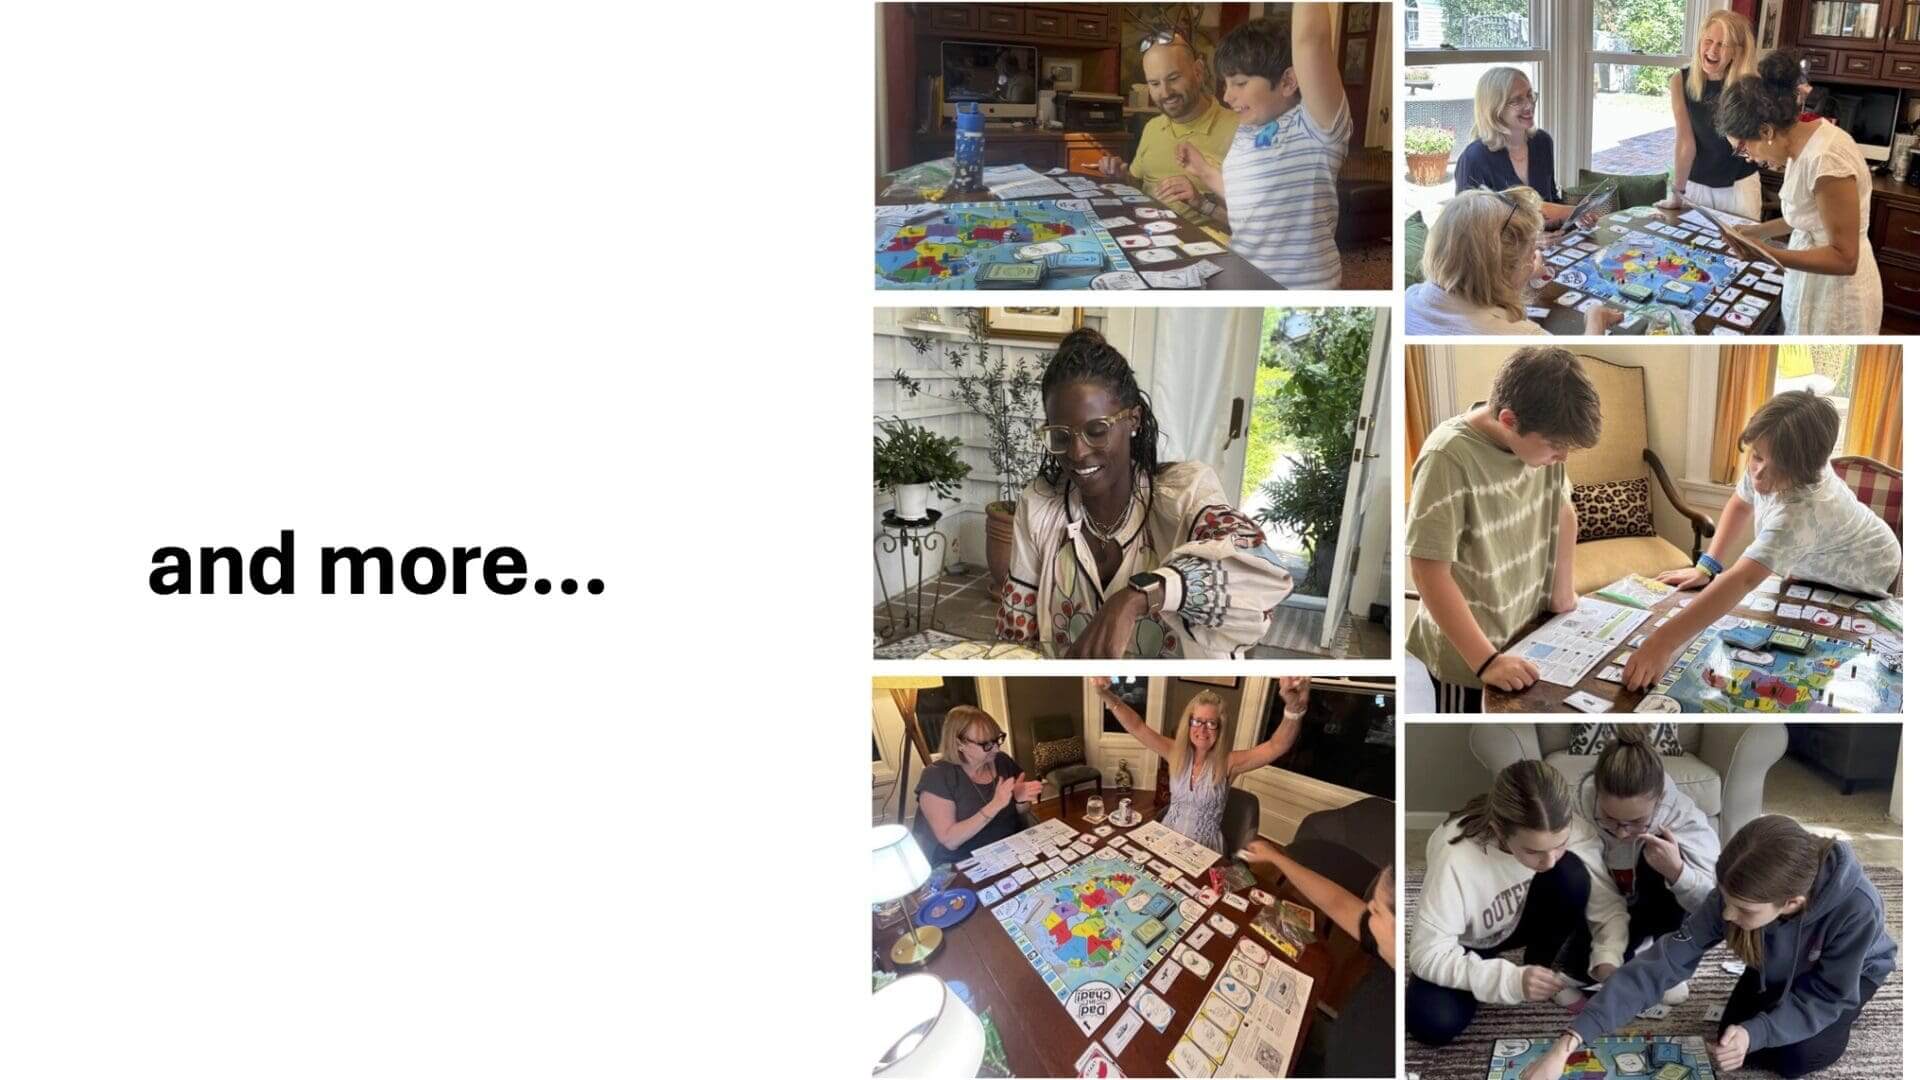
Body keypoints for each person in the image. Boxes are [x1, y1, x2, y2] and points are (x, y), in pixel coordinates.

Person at [1521, 816, 1897, 1080]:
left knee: (1794, 1058)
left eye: (1744, 909)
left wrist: (1759, 1032)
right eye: (1726, 900)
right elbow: (1662, 964)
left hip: (1843, 976)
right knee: (1731, 1038)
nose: (1727, 915)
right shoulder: (1736, 896)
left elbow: (1830, 995)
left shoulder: (1857, 909)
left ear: (1792, 903)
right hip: (1772, 957)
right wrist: (1569, 1042)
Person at [996, 328, 1295, 658]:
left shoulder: (1184, 494)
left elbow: (1262, 575)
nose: (1078, 452)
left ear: (1133, 419)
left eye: (1097, 430)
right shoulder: (1039, 505)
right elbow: (1016, 636)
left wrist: (1140, 596)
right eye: (1061, 436)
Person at [1624, 390, 1901, 691]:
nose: (1758, 472)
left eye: (1775, 467)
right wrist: (1707, 566)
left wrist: (1661, 642)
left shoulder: (1803, 510)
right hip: (1814, 565)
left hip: (1869, 568)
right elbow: (1741, 502)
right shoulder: (1769, 460)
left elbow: (1742, 580)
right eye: (1756, 456)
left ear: (1805, 470)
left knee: (1830, 661)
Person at [1406, 347, 1601, 711]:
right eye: (1557, 448)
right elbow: (1427, 571)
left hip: (1525, 631)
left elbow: (1563, 510)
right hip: (1468, 656)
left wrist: (1563, 594)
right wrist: (1485, 661)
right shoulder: (1447, 457)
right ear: (1509, 420)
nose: (1562, 459)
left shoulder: (1545, 450)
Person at [1407, 761, 1629, 1046]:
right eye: (1533, 851)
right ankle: (1513, 973)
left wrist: (1609, 957)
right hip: (1467, 942)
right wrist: (1508, 980)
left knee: (1572, 872)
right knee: (1431, 1024)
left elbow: (1606, 901)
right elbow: (1426, 954)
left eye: (1559, 844)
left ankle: (1542, 966)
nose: (1549, 861)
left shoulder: (1565, 827)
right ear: (1498, 830)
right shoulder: (1455, 859)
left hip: (1520, 919)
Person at [1171, 6, 1348, 289]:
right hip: (1245, 275)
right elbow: (1250, 199)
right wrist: (1204, 171)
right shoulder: (1246, 129)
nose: (1227, 96)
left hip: (1298, 287)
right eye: (1226, 84)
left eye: (1240, 83)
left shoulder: (1317, 125)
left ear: (1288, 81)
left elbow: (1311, 40)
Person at [1715, 49, 1883, 334]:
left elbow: (1845, 258)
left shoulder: (1826, 160)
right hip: (1809, 278)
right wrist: (1755, 232)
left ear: (1766, 132)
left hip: (1838, 295)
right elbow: (1808, 217)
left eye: (1744, 148)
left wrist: (1767, 254)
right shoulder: (1799, 143)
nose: (1749, 158)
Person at [1563, 725, 1721, 1006]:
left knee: (1661, 850)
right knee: (1566, 869)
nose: (1622, 833)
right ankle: (1628, 955)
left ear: (1659, 799)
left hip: (1656, 908)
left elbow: (1712, 909)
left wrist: (1677, 873)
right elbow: (1599, 892)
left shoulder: (1684, 817)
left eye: (1635, 822)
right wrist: (1607, 955)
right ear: (1597, 794)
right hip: (1606, 908)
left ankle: (1660, 953)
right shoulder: (1580, 810)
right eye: (1610, 819)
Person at [1091, 677, 1305, 851]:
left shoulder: (1229, 763)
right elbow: (1137, 726)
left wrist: (1293, 710)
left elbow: (1276, 746)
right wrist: (1105, 695)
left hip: (1204, 850)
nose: (1202, 730)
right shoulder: (1175, 752)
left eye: (1211, 723)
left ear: (1220, 729)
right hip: (1165, 839)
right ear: (1189, 722)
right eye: (1197, 721)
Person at [1240, 838, 1394, 1078]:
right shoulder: (1395, 942)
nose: (1368, 907)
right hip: (1326, 1045)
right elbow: (1340, 903)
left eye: (1376, 910)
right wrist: (1277, 858)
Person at [1406, 186, 1624, 335]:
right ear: (1504, 270)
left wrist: (1522, 271)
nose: (1534, 258)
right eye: (1532, 252)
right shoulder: (1527, 335)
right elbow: (1579, 367)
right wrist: (1596, 319)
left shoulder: (1410, 296)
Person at [1096, 32, 1236, 234]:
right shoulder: (1152, 127)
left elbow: (1257, 225)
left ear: (1198, 71)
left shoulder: (1240, 129)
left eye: (1173, 78)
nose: (1165, 92)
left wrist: (1202, 203)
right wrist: (1122, 177)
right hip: (1145, 239)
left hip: (1206, 252)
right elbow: (1138, 186)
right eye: (1154, 84)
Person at [912, 705, 1044, 866]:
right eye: (985, 744)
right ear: (959, 743)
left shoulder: (1002, 761)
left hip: (1009, 848)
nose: (996, 748)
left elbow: (1023, 812)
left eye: (997, 739)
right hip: (964, 861)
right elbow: (950, 840)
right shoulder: (937, 776)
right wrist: (995, 804)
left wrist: (1020, 800)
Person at [1659, 11, 1762, 219]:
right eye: (1708, 41)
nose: (1712, 50)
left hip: (1738, 187)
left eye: (1722, 45)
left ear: (1736, 52)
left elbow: (1750, 151)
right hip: (1695, 186)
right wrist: (1677, 194)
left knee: (1739, 250)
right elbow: (1685, 143)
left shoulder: (1750, 86)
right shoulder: (1680, 80)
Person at [1453, 68, 1584, 228]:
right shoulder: (1474, 157)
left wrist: (1573, 218)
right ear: (1495, 109)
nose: (1529, 105)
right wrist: (1531, 241)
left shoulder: (1542, 142)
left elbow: (1550, 200)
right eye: (1517, 100)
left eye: (1530, 95)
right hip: (1501, 252)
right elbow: (1468, 228)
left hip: (1547, 248)